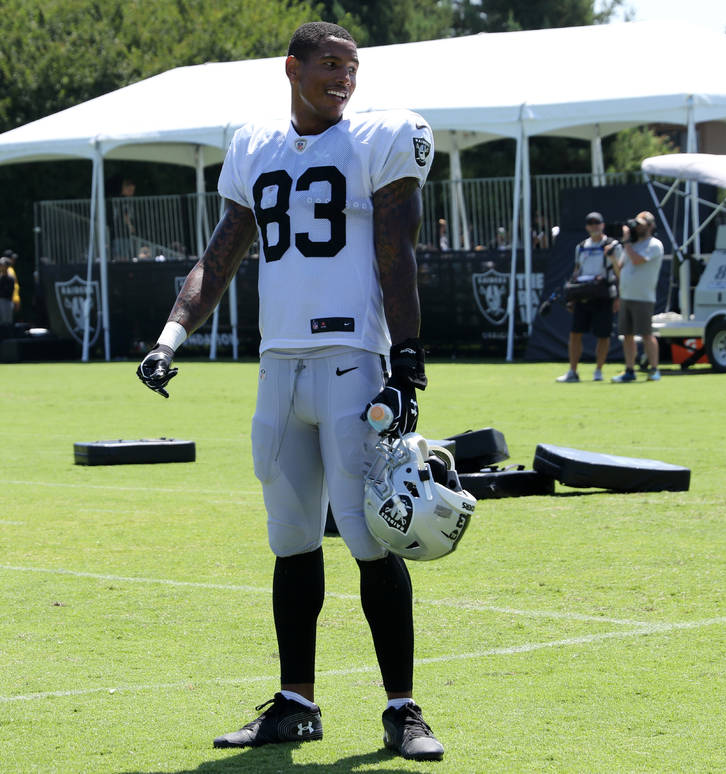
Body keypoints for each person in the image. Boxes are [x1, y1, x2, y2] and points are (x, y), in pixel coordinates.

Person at [136, 21, 443, 762]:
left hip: (350, 359)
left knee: (372, 537)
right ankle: (295, 703)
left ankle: (402, 710)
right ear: (292, 67)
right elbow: (221, 253)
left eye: (353, 68)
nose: (344, 78)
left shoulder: (379, 138)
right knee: (292, 541)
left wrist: (406, 361)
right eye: (330, 65)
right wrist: (169, 336)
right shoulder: (253, 144)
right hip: (279, 364)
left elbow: (395, 251)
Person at [556, 211, 622, 383]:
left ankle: (598, 370)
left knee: (603, 335)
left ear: (603, 225)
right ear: (586, 227)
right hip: (583, 295)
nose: (594, 227)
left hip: (603, 295)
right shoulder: (581, 247)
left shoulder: (613, 245)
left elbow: (620, 273)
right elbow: (577, 271)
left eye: (597, 223)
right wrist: (571, 295)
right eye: (591, 224)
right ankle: (573, 371)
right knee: (575, 333)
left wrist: (618, 297)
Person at [613, 211, 664, 382]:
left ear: (650, 226)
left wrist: (626, 242)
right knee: (627, 335)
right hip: (626, 295)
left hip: (643, 297)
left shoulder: (654, 244)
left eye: (641, 224)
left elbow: (637, 261)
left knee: (646, 334)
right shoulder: (632, 245)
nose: (638, 227)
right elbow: (620, 267)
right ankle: (629, 370)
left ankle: (654, 369)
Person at [0, 256, 16, 324]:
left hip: (6, 302)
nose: (1, 267)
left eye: (2, 265)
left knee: (6, 323)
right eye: (0, 265)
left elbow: (7, 293)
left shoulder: (10, 278)